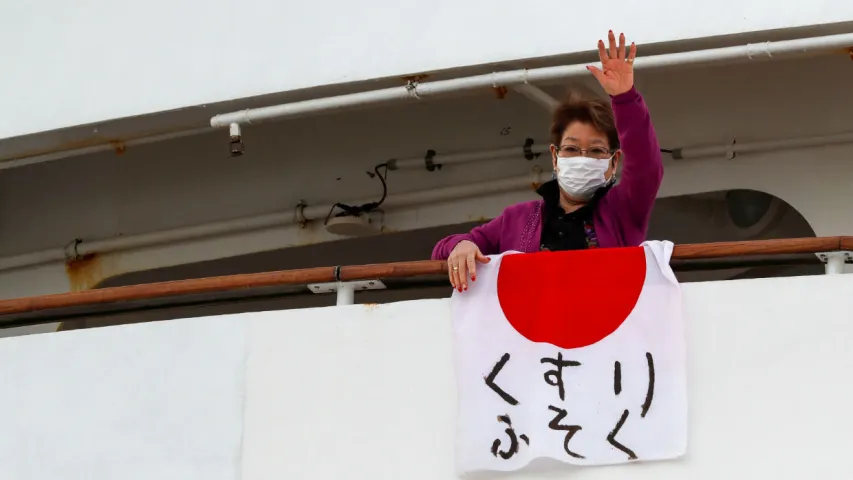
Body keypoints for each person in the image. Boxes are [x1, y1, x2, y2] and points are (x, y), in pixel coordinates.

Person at [432, 31, 663, 292]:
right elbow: (443, 250)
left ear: (613, 162)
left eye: (596, 151)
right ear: (555, 156)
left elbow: (646, 169)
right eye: (572, 149)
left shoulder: (623, 212)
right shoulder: (516, 219)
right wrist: (460, 246)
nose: (582, 159)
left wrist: (625, 98)